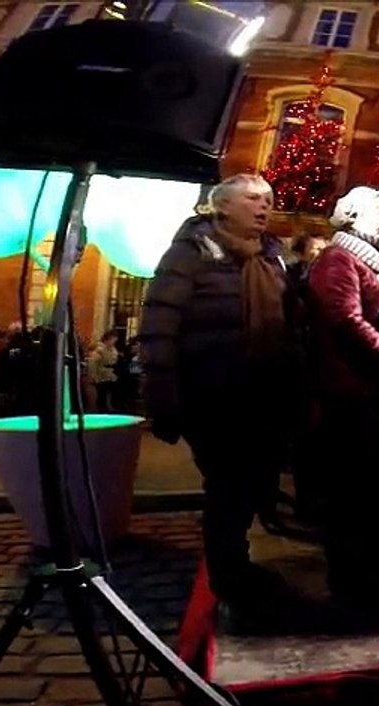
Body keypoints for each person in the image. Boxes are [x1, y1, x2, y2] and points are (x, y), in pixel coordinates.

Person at [140, 173, 299, 631]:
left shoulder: (273, 256)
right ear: (221, 206)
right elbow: (159, 326)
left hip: (264, 394)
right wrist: (163, 398)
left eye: (268, 198)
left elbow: (290, 324)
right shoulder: (190, 254)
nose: (264, 206)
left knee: (252, 483)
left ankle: (239, 567)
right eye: (252, 199)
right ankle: (229, 581)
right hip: (213, 396)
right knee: (228, 488)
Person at [308, 185, 379, 605]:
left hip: (376, 395)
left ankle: (373, 567)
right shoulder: (339, 260)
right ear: (353, 217)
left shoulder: (377, 264)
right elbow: (347, 322)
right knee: (350, 492)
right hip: (349, 394)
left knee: (373, 487)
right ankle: (350, 580)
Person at [87, 330, 120, 413]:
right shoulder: (100, 349)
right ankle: (102, 410)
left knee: (111, 392)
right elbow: (93, 363)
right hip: (102, 374)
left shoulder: (113, 349)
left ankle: (109, 408)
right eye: (113, 339)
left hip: (111, 373)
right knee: (102, 394)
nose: (113, 342)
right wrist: (94, 375)